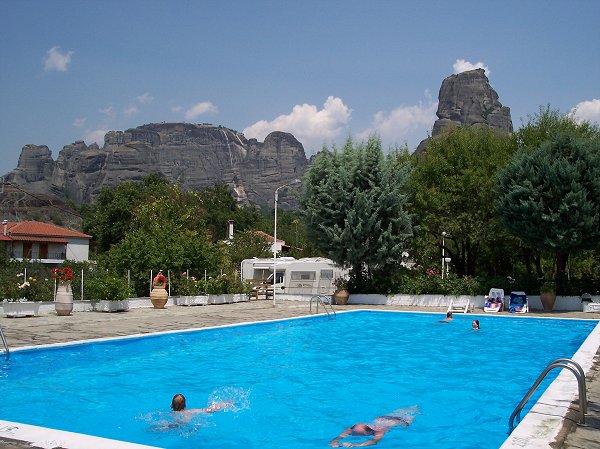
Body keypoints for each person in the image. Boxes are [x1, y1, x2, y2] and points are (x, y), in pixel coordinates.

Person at [329, 408, 417, 447]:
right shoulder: (352, 428)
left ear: (370, 432)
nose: (353, 434)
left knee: (409, 420)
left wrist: (356, 445)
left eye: (362, 435)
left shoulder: (379, 431)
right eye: (353, 433)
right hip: (381, 418)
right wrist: (334, 442)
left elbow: (374, 441)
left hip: (396, 421)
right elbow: (340, 436)